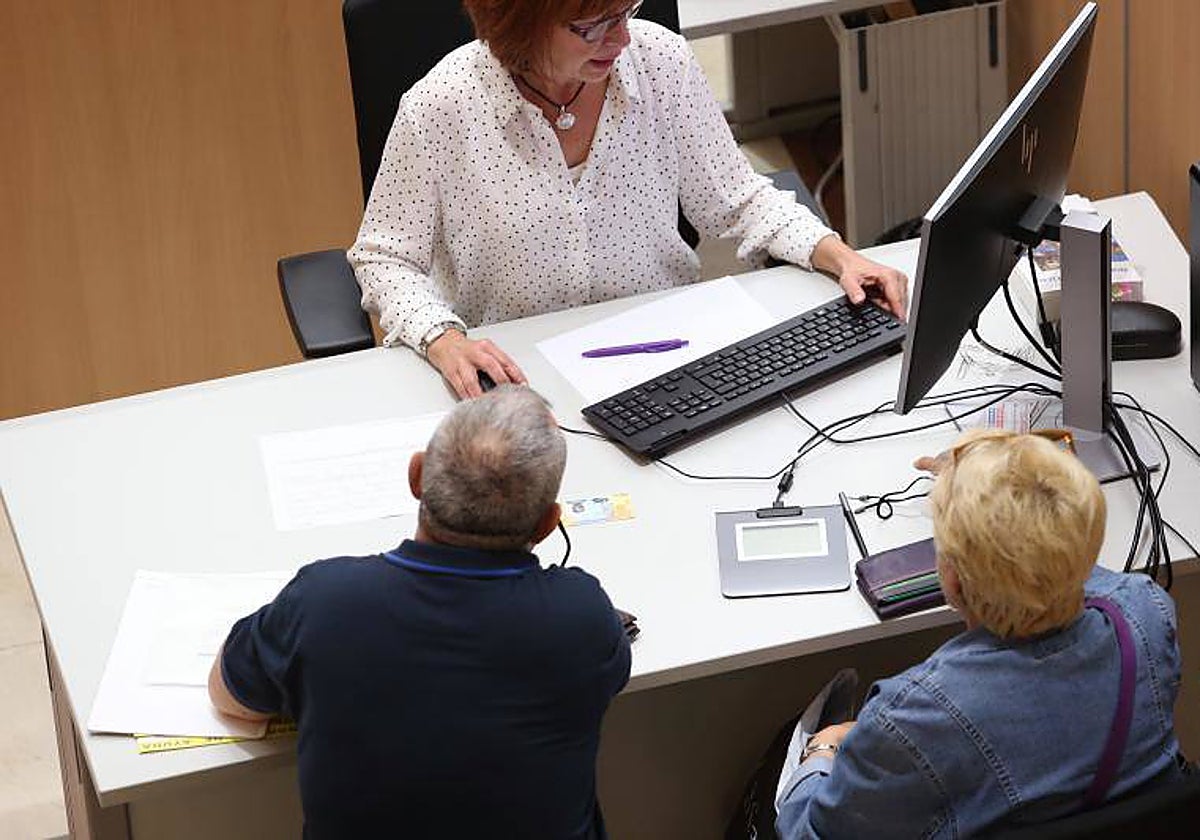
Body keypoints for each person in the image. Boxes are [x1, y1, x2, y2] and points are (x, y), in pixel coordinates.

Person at [348, 0, 908, 399]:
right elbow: (385, 257)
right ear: (518, 21)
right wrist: (442, 340)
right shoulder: (441, 107)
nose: (619, 41)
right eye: (592, 26)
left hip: (663, 363)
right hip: (517, 381)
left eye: (626, 13)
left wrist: (840, 255)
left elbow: (739, 201)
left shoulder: (660, 62)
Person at [208, 385, 631, 839]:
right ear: (549, 523)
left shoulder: (324, 601)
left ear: (416, 477)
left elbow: (229, 696)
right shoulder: (583, 617)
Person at [775, 429, 1188, 838]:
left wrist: (822, 749)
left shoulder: (912, 717)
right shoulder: (1147, 612)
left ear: (951, 582)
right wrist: (990, 484)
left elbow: (809, 834)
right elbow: (1064, 559)